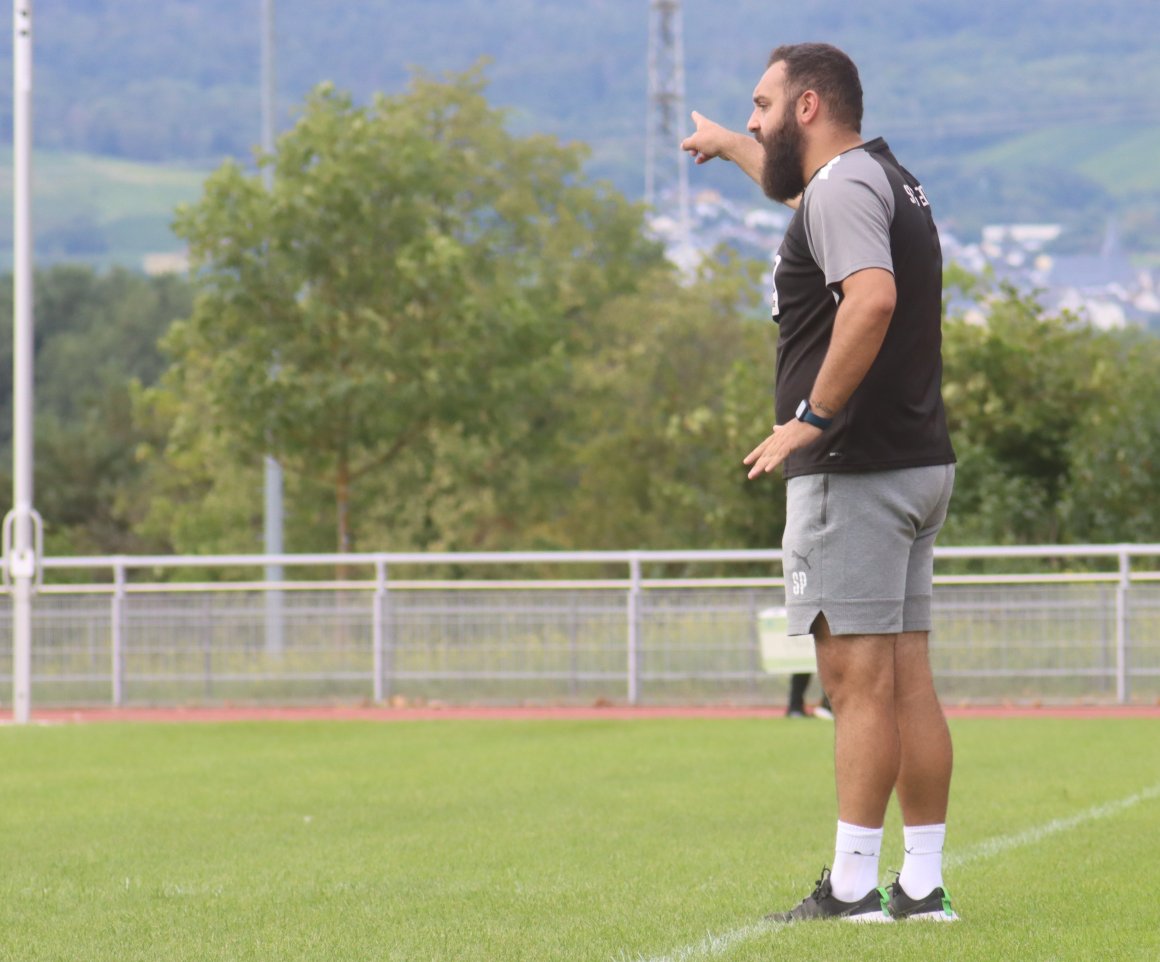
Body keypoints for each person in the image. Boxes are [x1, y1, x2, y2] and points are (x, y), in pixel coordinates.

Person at [682, 42, 958, 923]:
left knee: (855, 685)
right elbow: (805, 201)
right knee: (906, 680)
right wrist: (731, 146)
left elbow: (869, 298)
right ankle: (921, 886)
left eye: (762, 106)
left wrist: (814, 416)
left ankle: (851, 892)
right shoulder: (881, 180)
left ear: (808, 106)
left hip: (855, 471)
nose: (756, 118)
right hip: (915, 465)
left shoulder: (842, 189)